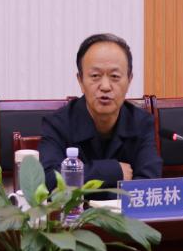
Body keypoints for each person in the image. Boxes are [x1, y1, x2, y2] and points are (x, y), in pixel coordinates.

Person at [40, 33, 162, 191]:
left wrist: (96, 192)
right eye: (95, 76)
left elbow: (149, 183)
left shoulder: (141, 123)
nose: (105, 86)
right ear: (80, 81)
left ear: (129, 80)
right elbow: (49, 180)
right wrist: (112, 171)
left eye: (115, 76)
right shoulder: (57, 124)